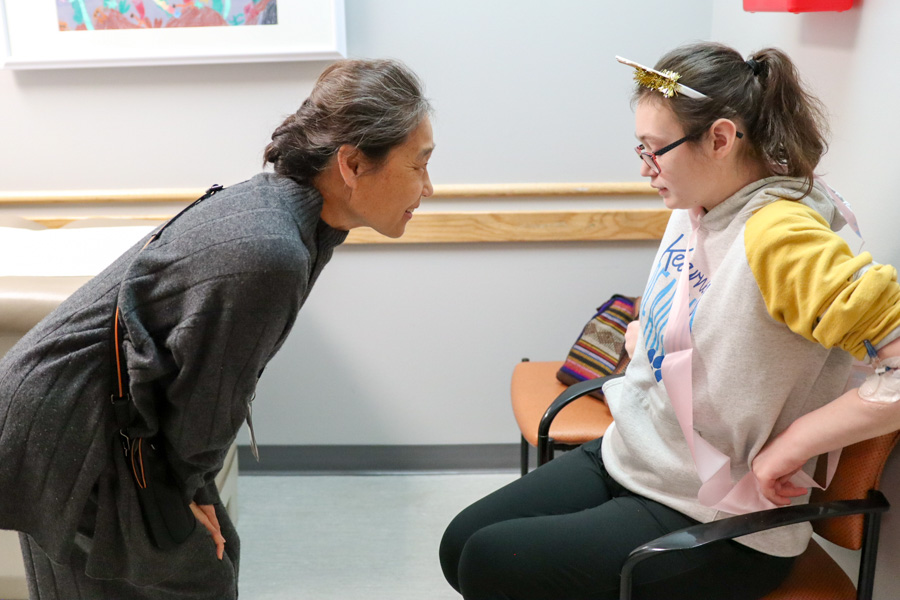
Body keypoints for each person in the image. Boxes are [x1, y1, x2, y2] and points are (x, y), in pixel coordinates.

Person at [440, 42, 900, 600]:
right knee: (460, 543)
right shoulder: (701, 206)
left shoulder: (780, 237)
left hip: (718, 518)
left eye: (656, 150)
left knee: (489, 563)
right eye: (641, 147)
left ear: (721, 139)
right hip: (638, 455)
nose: (643, 168)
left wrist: (795, 443)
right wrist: (649, 339)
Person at [0, 57, 434, 599]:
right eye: (419, 164)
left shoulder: (284, 212)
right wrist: (190, 487)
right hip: (67, 423)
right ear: (352, 164)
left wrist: (192, 482)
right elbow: (211, 391)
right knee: (199, 577)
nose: (429, 187)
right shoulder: (271, 250)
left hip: (71, 407)